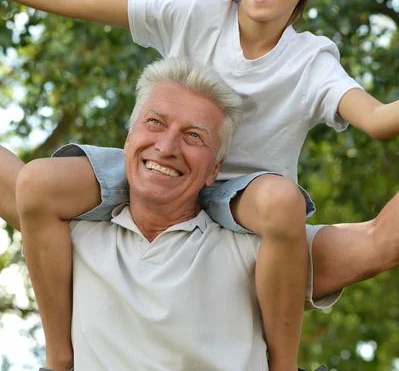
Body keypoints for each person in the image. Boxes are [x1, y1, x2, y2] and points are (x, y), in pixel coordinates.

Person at [1, 0, 399, 371]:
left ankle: (283, 365)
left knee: (282, 204)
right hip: (158, 178)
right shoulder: (198, 14)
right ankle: (58, 357)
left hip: (243, 199)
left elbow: (377, 122)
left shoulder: (311, 61)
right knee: (38, 184)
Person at [1, 58, 329, 371]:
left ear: (215, 169)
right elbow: (30, 187)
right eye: (155, 122)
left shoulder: (255, 250)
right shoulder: (76, 235)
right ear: (129, 139)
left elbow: (377, 242)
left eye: (194, 136)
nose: (167, 147)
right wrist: (58, 360)